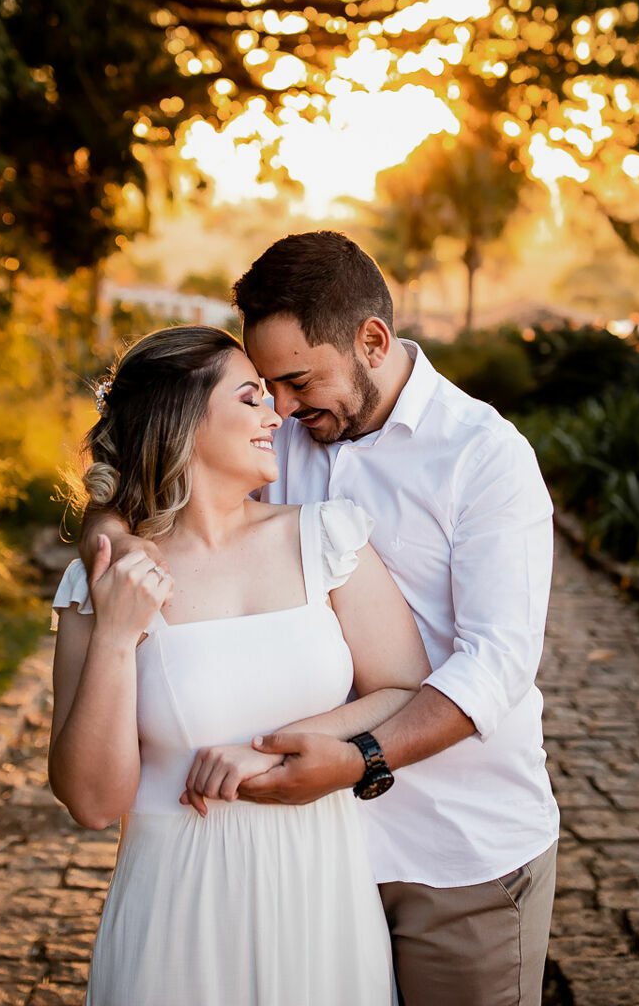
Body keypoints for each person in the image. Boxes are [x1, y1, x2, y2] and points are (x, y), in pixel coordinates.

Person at [82, 232, 560, 1006]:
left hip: (455, 849)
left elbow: (496, 668)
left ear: (372, 341)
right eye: (265, 385)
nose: (281, 406)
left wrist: (360, 758)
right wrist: (108, 543)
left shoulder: (484, 457)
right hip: (310, 857)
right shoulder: (289, 438)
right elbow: (157, 481)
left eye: (298, 380)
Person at [48, 323, 432, 1006]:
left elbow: (406, 692)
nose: (276, 413)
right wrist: (115, 637)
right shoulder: (106, 580)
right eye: (251, 397)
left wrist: (275, 752)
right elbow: (91, 802)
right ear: (184, 419)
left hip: (321, 898)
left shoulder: (327, 538)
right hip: (176, 911)